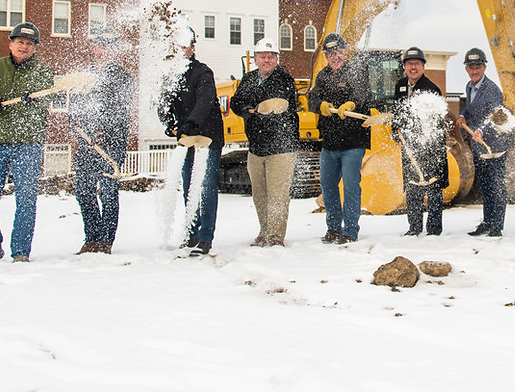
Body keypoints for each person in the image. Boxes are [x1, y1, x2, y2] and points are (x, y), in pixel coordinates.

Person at [0, 22, 54, 263]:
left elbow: (48, 98)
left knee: (26, 199)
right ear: (11, 44)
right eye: (20, 42)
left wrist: (34, 101)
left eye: (29, 43)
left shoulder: (43, 72)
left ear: (35, 48)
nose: (24, 46)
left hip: (28, 143)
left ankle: (20, 252)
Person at [158, 27, 225, 256]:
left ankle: (206, 236)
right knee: (189, 186)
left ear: (192, 48)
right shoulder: (171, 74)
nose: (179, 51)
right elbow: (164, 102)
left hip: (207, 138)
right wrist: (168, 121)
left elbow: (205, 100)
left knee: (205, 187)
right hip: (187, 139)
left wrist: (192, 121)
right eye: (175, 47)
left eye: (184, 46)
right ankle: (191, 232)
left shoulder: (202, 72)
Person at [68, 28, 134, 254]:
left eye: (109, 46)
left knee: (107, 192)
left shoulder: (123, 77)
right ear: (94, 48)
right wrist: (77, 126)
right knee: (84, 191)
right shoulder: (83, 77)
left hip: (111, 144)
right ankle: (92, 238)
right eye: (100, 45)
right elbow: (74, 107)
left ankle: (106, 240)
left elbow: (121, 111)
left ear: (115, 50)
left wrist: (102, 131)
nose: (103, 50)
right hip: (87, 143)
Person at [230, 38, 299, 247]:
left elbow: (279, 105)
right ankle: (264, 231)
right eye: (262, 56)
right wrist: (248, 110)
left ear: (277, 59)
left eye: (270, 56)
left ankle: (276, 236)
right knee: (259, 194)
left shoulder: (284, 80)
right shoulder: (249, 79)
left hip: (280, 147)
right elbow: (236, 102)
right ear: (256, 59)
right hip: (256, 147)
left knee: (277, 194)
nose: (266, 60)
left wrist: (256, 108)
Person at [308, 33, 371, 244]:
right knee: (327, 186)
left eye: (338, 52)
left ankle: (350, 230)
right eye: (330, 53)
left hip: (353, 143)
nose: (335, 57)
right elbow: (312, 98)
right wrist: (320, 106)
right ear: (325, 56)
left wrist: (352, 104)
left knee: (351, 186)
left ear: (345, 52)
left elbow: (364, 95)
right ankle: (333, 228)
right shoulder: (323, 76)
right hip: (329, 143)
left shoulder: (356, 72)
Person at [393, 47, 448, 236]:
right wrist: (395, 130)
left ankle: (433, 229)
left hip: (429, 145)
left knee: (433, 186)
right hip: (409, 146)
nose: (413, 67)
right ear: (404, 68)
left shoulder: (431, 89)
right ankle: (414, 227)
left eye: (417, 64)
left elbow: (436, 120)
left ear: (423, 67)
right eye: (409, 64)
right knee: (412, 185)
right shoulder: (400, 86)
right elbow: (397, 113)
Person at [457, 47, 508, 237]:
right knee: (485, 187)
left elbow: (497, 116)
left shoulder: (492, 90)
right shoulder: (469, 87)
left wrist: (481, 130)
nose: (474, 70)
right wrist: (463, 115)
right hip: (479, 146)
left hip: (495, 146)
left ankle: (497, 226)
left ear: (484, 67)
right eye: (471, 67)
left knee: (496, 186)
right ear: (466, 69)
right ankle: (487, 222)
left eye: (478, 66)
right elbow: (470, 109)